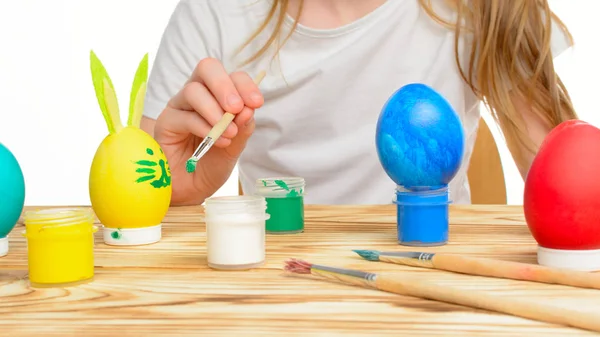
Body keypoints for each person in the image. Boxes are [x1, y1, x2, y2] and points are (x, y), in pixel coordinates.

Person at [140, 0, 577, 206]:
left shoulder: (486, 7)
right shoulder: (215, 13)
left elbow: (577, 195)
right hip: (283, 297)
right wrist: (171, 197)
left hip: (436, 293)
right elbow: (138, 210)